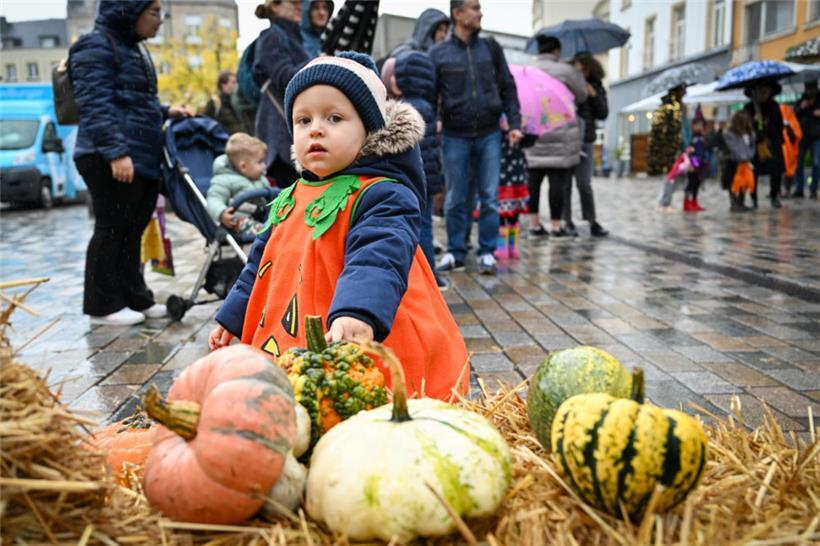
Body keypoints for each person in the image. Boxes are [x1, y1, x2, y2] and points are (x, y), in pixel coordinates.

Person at [208, 52, 469, 400]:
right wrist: (233, 315)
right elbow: (260, 264)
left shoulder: (381, 194)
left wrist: (357, 311)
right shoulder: (291, 195)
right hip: (290, 341)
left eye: (334, 117)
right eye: (303, 120)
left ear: (369, 131)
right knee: (293, 405)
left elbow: (377, 258)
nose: (316, 128)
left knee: (358, 404)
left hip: (360, 327)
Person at [70, 0, 192, 326]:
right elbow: (94, 103)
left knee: (132, 230)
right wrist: (115, 152)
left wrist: (166, 111)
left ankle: (135, 297)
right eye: (154, 12)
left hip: (138, 152)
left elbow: (133, 100)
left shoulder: (131, 48)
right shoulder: (95, 45)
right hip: (110, 155)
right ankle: (102, 305)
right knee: (111, 229)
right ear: (129, 10)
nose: (160, 20)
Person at [430, 0, 522, 276]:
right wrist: (434, 119)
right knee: (456, 197)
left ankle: (487, 253)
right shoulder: (438, 53)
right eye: (474, 7)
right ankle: (456, 252)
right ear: (458, 14)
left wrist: (515, 123)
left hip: (490, 132)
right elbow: (431, 91)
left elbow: (507, 85)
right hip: (454, 135)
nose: (480, 12)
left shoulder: (491, 48)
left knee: (489, 197)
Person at [382, 51, 448, 290]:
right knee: (426, 225)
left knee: (416, 229)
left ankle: (427, 277)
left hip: (410, 181)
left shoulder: (402, 110)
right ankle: (432, 276)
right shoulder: (429, 108)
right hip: (429, 179)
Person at [524, 35, 586, 238]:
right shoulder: (567, 71)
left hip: (535, 132)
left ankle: (534, 225)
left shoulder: (529, 71)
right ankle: (556, 227)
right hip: (561, 132)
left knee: (533, 183)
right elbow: (582, 95)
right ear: (557, 51)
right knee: (557, 185)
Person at [253, 0, 309, 188]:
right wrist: (317, 63)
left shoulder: (295, 37)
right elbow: (285, 77)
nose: (299, 6)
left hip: (290, 132)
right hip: (280, 137)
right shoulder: (271, 36)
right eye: (293, 2)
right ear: (275, 6)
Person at [566, 52, 608, 237]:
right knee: (565, 183)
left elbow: (603, 113)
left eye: (583, 68)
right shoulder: (566, 83)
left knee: (584, 184)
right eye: (577, 67)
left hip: (586, 139)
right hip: (567, 138)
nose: (580, 71)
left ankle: (591, 221)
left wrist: (593, 95)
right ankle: (565, 221)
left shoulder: (597, 86)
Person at [206, 133, 270, 236]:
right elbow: (213, 199)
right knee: (264, 231)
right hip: (239, 222)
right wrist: (221, 213)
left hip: (262, 216)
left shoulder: (260, 179)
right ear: (243, 166)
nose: (264, 166)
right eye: (260, 162)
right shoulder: (223, 180)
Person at [743, 80, 785, 208]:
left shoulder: (774, 106)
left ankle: (774, 196)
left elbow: (779, 125)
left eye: (766, 91)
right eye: (761, 91)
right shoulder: (749, 107)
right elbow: (744, 126)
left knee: (776, 171)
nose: (764, 93)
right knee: (753, 172)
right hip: (756, 144)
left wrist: (767, 124)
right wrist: (754, 121)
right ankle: (753, 198)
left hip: (773, 143)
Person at [495, 118, 530, 260]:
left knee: (514, 213)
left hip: (517, 176)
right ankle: (503, 247)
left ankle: (512, 246)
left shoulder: (522, 126)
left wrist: (522, 132)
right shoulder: (498, 130)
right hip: (503, 177)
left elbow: (531, 141)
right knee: (502, 213)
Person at [719, 110, 756, 212]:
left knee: (745, 183)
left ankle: (741, 202)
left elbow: (752, 146)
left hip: (745, 162)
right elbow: (734, 148)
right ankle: (734, 204)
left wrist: (748, 156)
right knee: (734, 183)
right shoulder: (729, 134)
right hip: (733, 162)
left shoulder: (749, 133)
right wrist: (744, 156)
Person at [647, 85, 685, 176]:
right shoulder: (671, 106)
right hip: (665, 146)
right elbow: (671, 126)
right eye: (683, 90)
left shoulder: (671, 105)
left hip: (666, 145)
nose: (685, 93)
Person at [794, 80, 819, 199]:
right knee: (798, 164)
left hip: (817, 136)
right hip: (801, 137)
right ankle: (799, 189)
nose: (810, 92)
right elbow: (793, 116)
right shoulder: (800, 102)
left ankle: (813, 189)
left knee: (816, 163)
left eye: (812, 89)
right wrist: (801, 108)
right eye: (808, 89)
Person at [683, 109, 708, 212]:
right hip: (693, 164)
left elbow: (702, 151)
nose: (699, 127)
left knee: (697, 183)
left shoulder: (701, 137)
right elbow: (690, 153)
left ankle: (694, 202)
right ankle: (686, 203)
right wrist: (693, 165)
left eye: (701, 125)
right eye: (697, 125)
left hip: (699, 164)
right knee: (691, 183)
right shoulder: (691, 137)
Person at [779, 101, 802, 198]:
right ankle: (778, 191)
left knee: (788, 172)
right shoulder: (779, 120)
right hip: (782, 151)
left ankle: (786, 190)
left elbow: (797, 135)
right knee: (781, 171)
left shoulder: (792, 121)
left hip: (790, 152)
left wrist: (788, 127)